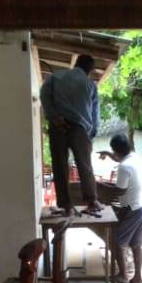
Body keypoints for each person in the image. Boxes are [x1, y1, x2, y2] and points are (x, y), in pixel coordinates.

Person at [40, 54, 102, 215]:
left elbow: (44, 95)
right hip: (80, 128)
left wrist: (53, 116)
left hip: (58, 125)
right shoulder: (90, 84)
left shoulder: (55, 77)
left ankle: (66, 205)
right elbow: (95, 114)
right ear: (90, 71)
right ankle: (92, 201)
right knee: (85, 165)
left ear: (75, 64)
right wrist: (91, 134)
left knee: (60, 166)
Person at [97, 134, 142, 283]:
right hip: (141, 207)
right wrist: (108, 154)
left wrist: (101, 188)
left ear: (116, 151)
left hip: (131, 208)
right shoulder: (135, 158)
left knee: (116, 242)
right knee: (136, 244)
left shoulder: (124, 167)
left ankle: (123, 276)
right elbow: (120, 158)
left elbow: (120, 190)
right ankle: (138, 278)